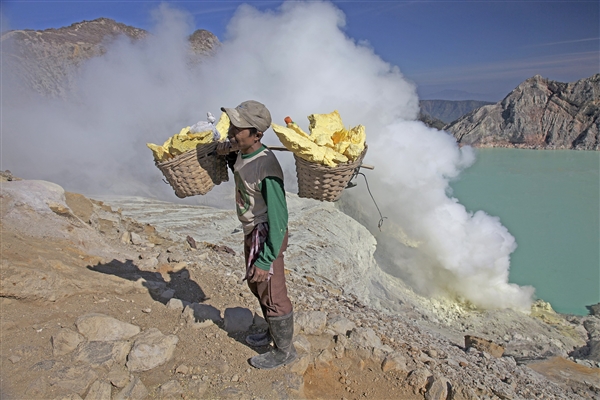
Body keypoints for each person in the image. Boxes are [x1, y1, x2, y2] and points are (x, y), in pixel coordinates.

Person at [216, 100, 296, 370]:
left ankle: (285, 351)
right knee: (258, 286)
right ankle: (272, 334)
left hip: (267, 234)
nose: (231, 131)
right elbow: (241, 172)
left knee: (273, 293)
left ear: (257, 134)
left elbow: (279, 218)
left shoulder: (268, 168)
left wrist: (266, 258)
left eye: (238, 128)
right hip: (253, 230)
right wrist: (228, 153)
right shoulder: (242, 152)